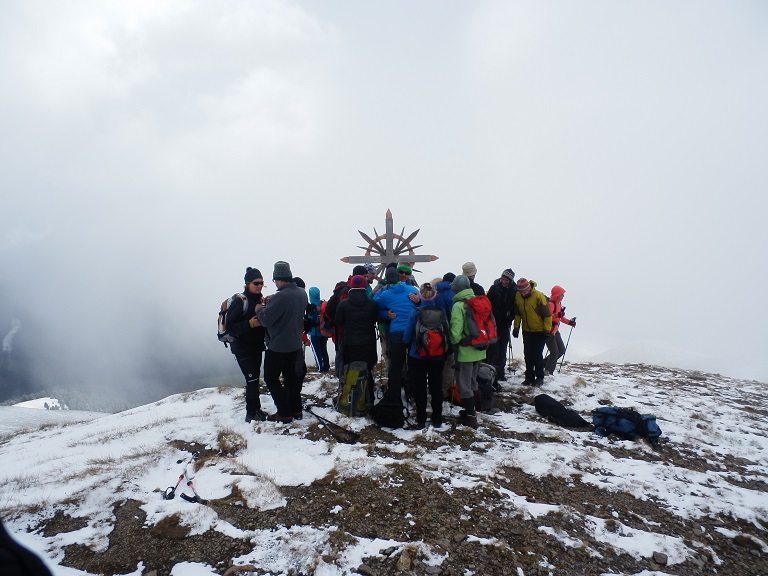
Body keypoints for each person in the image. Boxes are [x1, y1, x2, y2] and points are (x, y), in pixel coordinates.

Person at [253, 261, 308, 423]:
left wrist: (259, 309)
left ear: (278, 278)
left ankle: (284, 412)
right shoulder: (301, 293)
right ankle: (296, 409)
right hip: (295, 344)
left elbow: (266, 320)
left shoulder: (281, 296)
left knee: (271, 377)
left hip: (278, 346)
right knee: (291, 378)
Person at [226, 267, 268, 423]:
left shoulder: (261, 300)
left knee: (255, 379)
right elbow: (231, 327)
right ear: (247, 284)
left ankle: (256, 410)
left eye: (262, 283)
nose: (259, 286)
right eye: (256, 283)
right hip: (242, 347)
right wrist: (249, 324)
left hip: (257, 346)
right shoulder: (240, 301)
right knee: (252, 380)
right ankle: (251, 414)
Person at [404, 282, 448, 427]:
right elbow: (446, 331)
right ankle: (437, 418)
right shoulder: (441, 311)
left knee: (420, 387)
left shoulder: (415, 312)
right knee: (436, 386)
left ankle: (421, 418)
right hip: (437, 355)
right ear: (435, 295)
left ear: (420, 295)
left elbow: (407, 336)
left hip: (417, 355)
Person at [374, 266, 420, 400]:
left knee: (396, 364)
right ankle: (411, 392)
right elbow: (422, 304)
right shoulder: (412, 290)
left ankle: (394, 393)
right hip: (412, 331)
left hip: (396, 332)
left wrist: (385, 313)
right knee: (413, 363)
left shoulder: (386, 294)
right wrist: (419, 301)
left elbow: (375, 305)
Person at [449, 275, 486, 429]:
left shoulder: (459, 306)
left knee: (463, 384)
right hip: (480, 349)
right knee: (472, 382)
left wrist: (451, 343)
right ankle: (471, 411)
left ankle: (471, 418)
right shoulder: (478, 301)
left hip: (465, 352)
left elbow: (456, 333)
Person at [512, 278, 552, 386]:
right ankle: (529, 378)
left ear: (529, 288)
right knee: (528, 354)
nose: (524, 293)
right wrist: (516, 328)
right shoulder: (518, 296)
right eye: (521, 291)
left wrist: (546, 329)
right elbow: (517, 314)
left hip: (540, 330)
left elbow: (547, 315)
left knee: (537, 354)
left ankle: (539, 378)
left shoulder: (538, 296)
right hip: (526, 330)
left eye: (525, 291)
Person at [335, 275, 380, 371]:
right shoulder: (372, 303)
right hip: (368, 341)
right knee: (367, 368)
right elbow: (375, 319)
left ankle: (352, 385)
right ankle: (368, 385)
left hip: (350, 342)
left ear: (351, 286)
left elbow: (339, 322)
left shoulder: (343, 304)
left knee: (351, 368)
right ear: (365, 286)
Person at [486, 268, 517, 382]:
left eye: (506, 280)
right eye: (503, 279)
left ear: (510, 280)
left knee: (502, 347)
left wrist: (510, 317)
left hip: (505, 324)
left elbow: (515, 307)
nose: (504, 281)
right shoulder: (494, 288)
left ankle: (500, 372)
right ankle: (490, 370)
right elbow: (487, 304)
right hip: (493, 323)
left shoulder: (514, 291)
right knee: (493, 347)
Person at [545, 285, 576, 375]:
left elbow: (560, 317)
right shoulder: (551, 304)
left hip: (555, 330)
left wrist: (569, 322)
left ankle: (543, 364)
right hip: (549, 331)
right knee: (555, 352)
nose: (563, 296)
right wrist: (557, 315)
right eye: (562, 294)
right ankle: (548, 372)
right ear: (557, 294)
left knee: (561, 350)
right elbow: (548, 317)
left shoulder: (558, 304)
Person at [307, 286, 330, 372]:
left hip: (314, 333)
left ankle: (320, 368)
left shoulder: (310, 307)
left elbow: (309, 320)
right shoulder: (323, 304)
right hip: (324, 331)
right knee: (324, 349)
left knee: (317, 352)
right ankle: (326, 366)